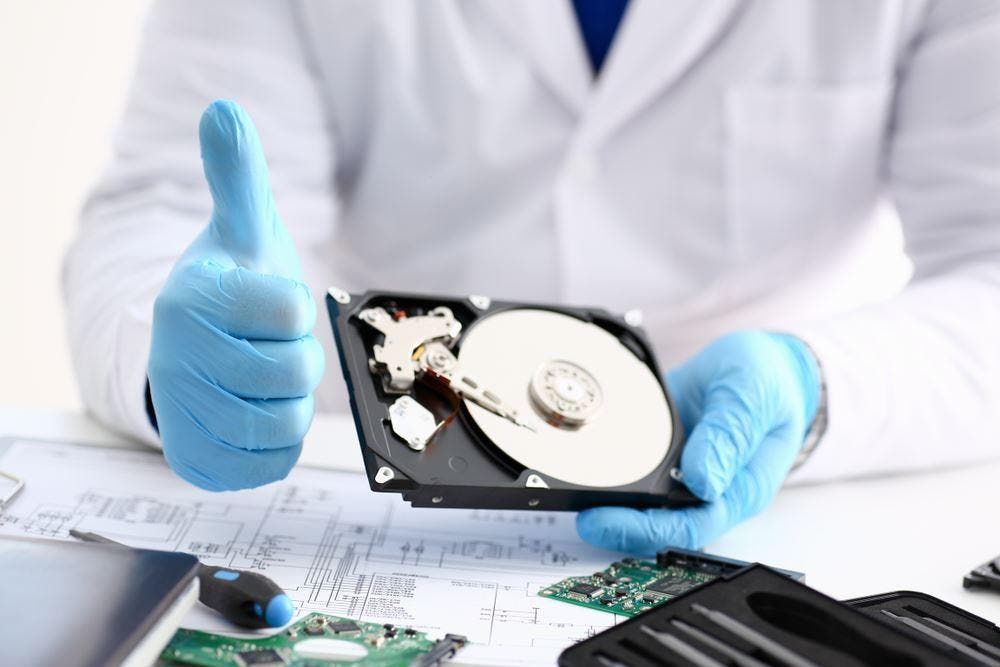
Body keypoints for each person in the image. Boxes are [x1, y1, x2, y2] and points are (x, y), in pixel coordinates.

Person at [64, 1, 1000, 554]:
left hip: (784, 486)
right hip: (392, 463)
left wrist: (819, 386)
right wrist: (179, 357)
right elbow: (172, 205)